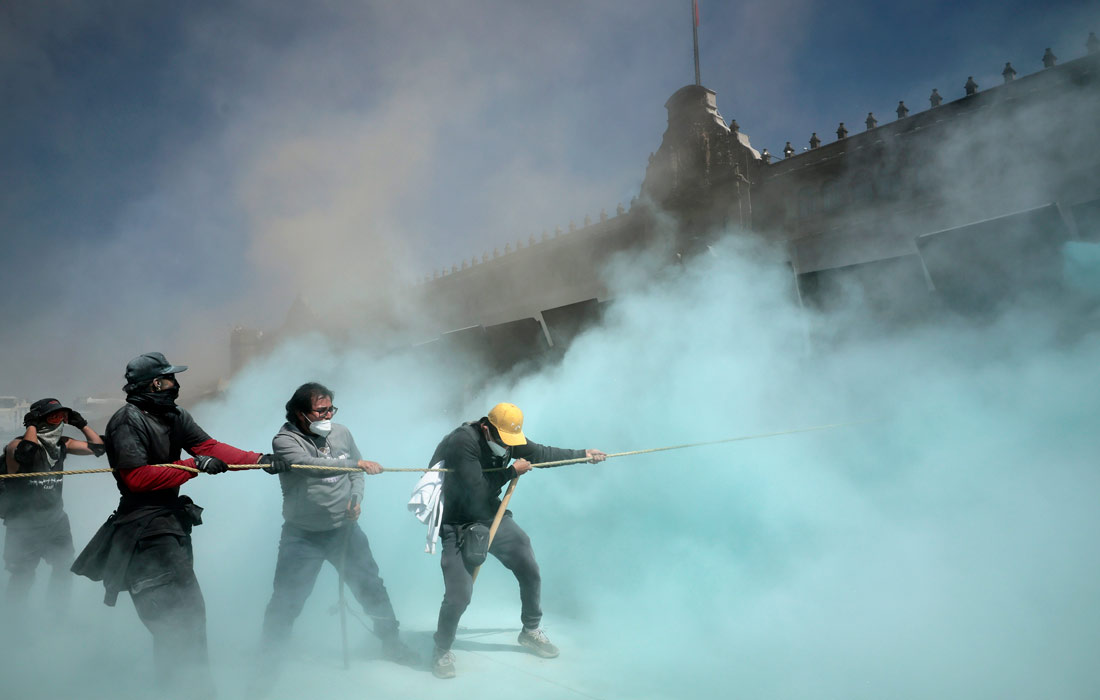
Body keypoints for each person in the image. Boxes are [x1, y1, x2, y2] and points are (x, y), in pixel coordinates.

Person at [71, 352, 286, 699]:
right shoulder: (127, 421)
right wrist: (194, 465)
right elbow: (137, 478)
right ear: (155, 384)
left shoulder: (173, 415)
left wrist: (258, 460)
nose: (176, 385)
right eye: (169, 379)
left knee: (187, 620)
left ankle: (188, 690)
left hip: (170, 526)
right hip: (144, 531)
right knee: (177, 622)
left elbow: (208, 446)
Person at [254, 382, 417, 688]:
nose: (328, 415)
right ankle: (266, 667)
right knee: (285, 601)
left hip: (344, 530)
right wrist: (356, 464)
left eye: (331, 409)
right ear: (301, 413)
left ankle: (392, 643)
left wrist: (356, 499)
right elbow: (310, 466)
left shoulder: (341, 432)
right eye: (321, 410)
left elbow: (357, 473)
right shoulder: (285, 440)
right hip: (302, 536)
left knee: (372, 588)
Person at [428, 402, 606, 679]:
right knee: (459, 595)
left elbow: (542, 453)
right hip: (457, 521)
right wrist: (512, 472)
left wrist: (582, 455)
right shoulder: (463, 442)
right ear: (487, 427)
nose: (505, 445)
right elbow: (474, 490)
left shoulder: (508, 438)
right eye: (501, 438)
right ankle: (441, 649)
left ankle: (531, 630)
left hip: (490, 514)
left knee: (527, 562)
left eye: (510, 440)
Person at [2, 398, 104, 614]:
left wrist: (80, 423)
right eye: (52, 416)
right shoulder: (15, 446)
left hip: (56, 522)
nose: (58, 421)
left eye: (61, 416)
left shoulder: (62, 444)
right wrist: (31, 425)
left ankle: (57, 619)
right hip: (24, 526)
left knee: (64, 569)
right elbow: (26, 452)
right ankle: (14, 626)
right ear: (39, 420)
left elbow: (98, 448)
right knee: (23, 576)